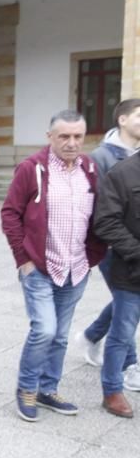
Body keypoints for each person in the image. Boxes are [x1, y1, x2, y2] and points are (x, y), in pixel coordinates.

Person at [1, 110, 105, 422]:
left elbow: (100, 215)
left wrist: (92, 256)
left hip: (77, 267)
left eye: (77, 136)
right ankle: (27, 389)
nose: (72, 143)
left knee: (60, 334)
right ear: (50, 137)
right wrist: (24, 260)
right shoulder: (31, 169)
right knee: (44, 329)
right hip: (40, 268)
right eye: (64, 136)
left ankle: (48, 389)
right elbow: (10, 214)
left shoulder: (90, 168)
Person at [75, 98, 140, 380]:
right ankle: (129, 366)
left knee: (128, 302)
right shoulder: (101, 157)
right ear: (122, 120)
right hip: (112, 246)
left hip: (132, 244)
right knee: (128, 306)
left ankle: (91, 335)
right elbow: (99, 209)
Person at [91, 150, 140, 419]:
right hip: (132, 272)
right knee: (122, 334)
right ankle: (112, 390)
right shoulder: (122, 173)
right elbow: (105, 222)